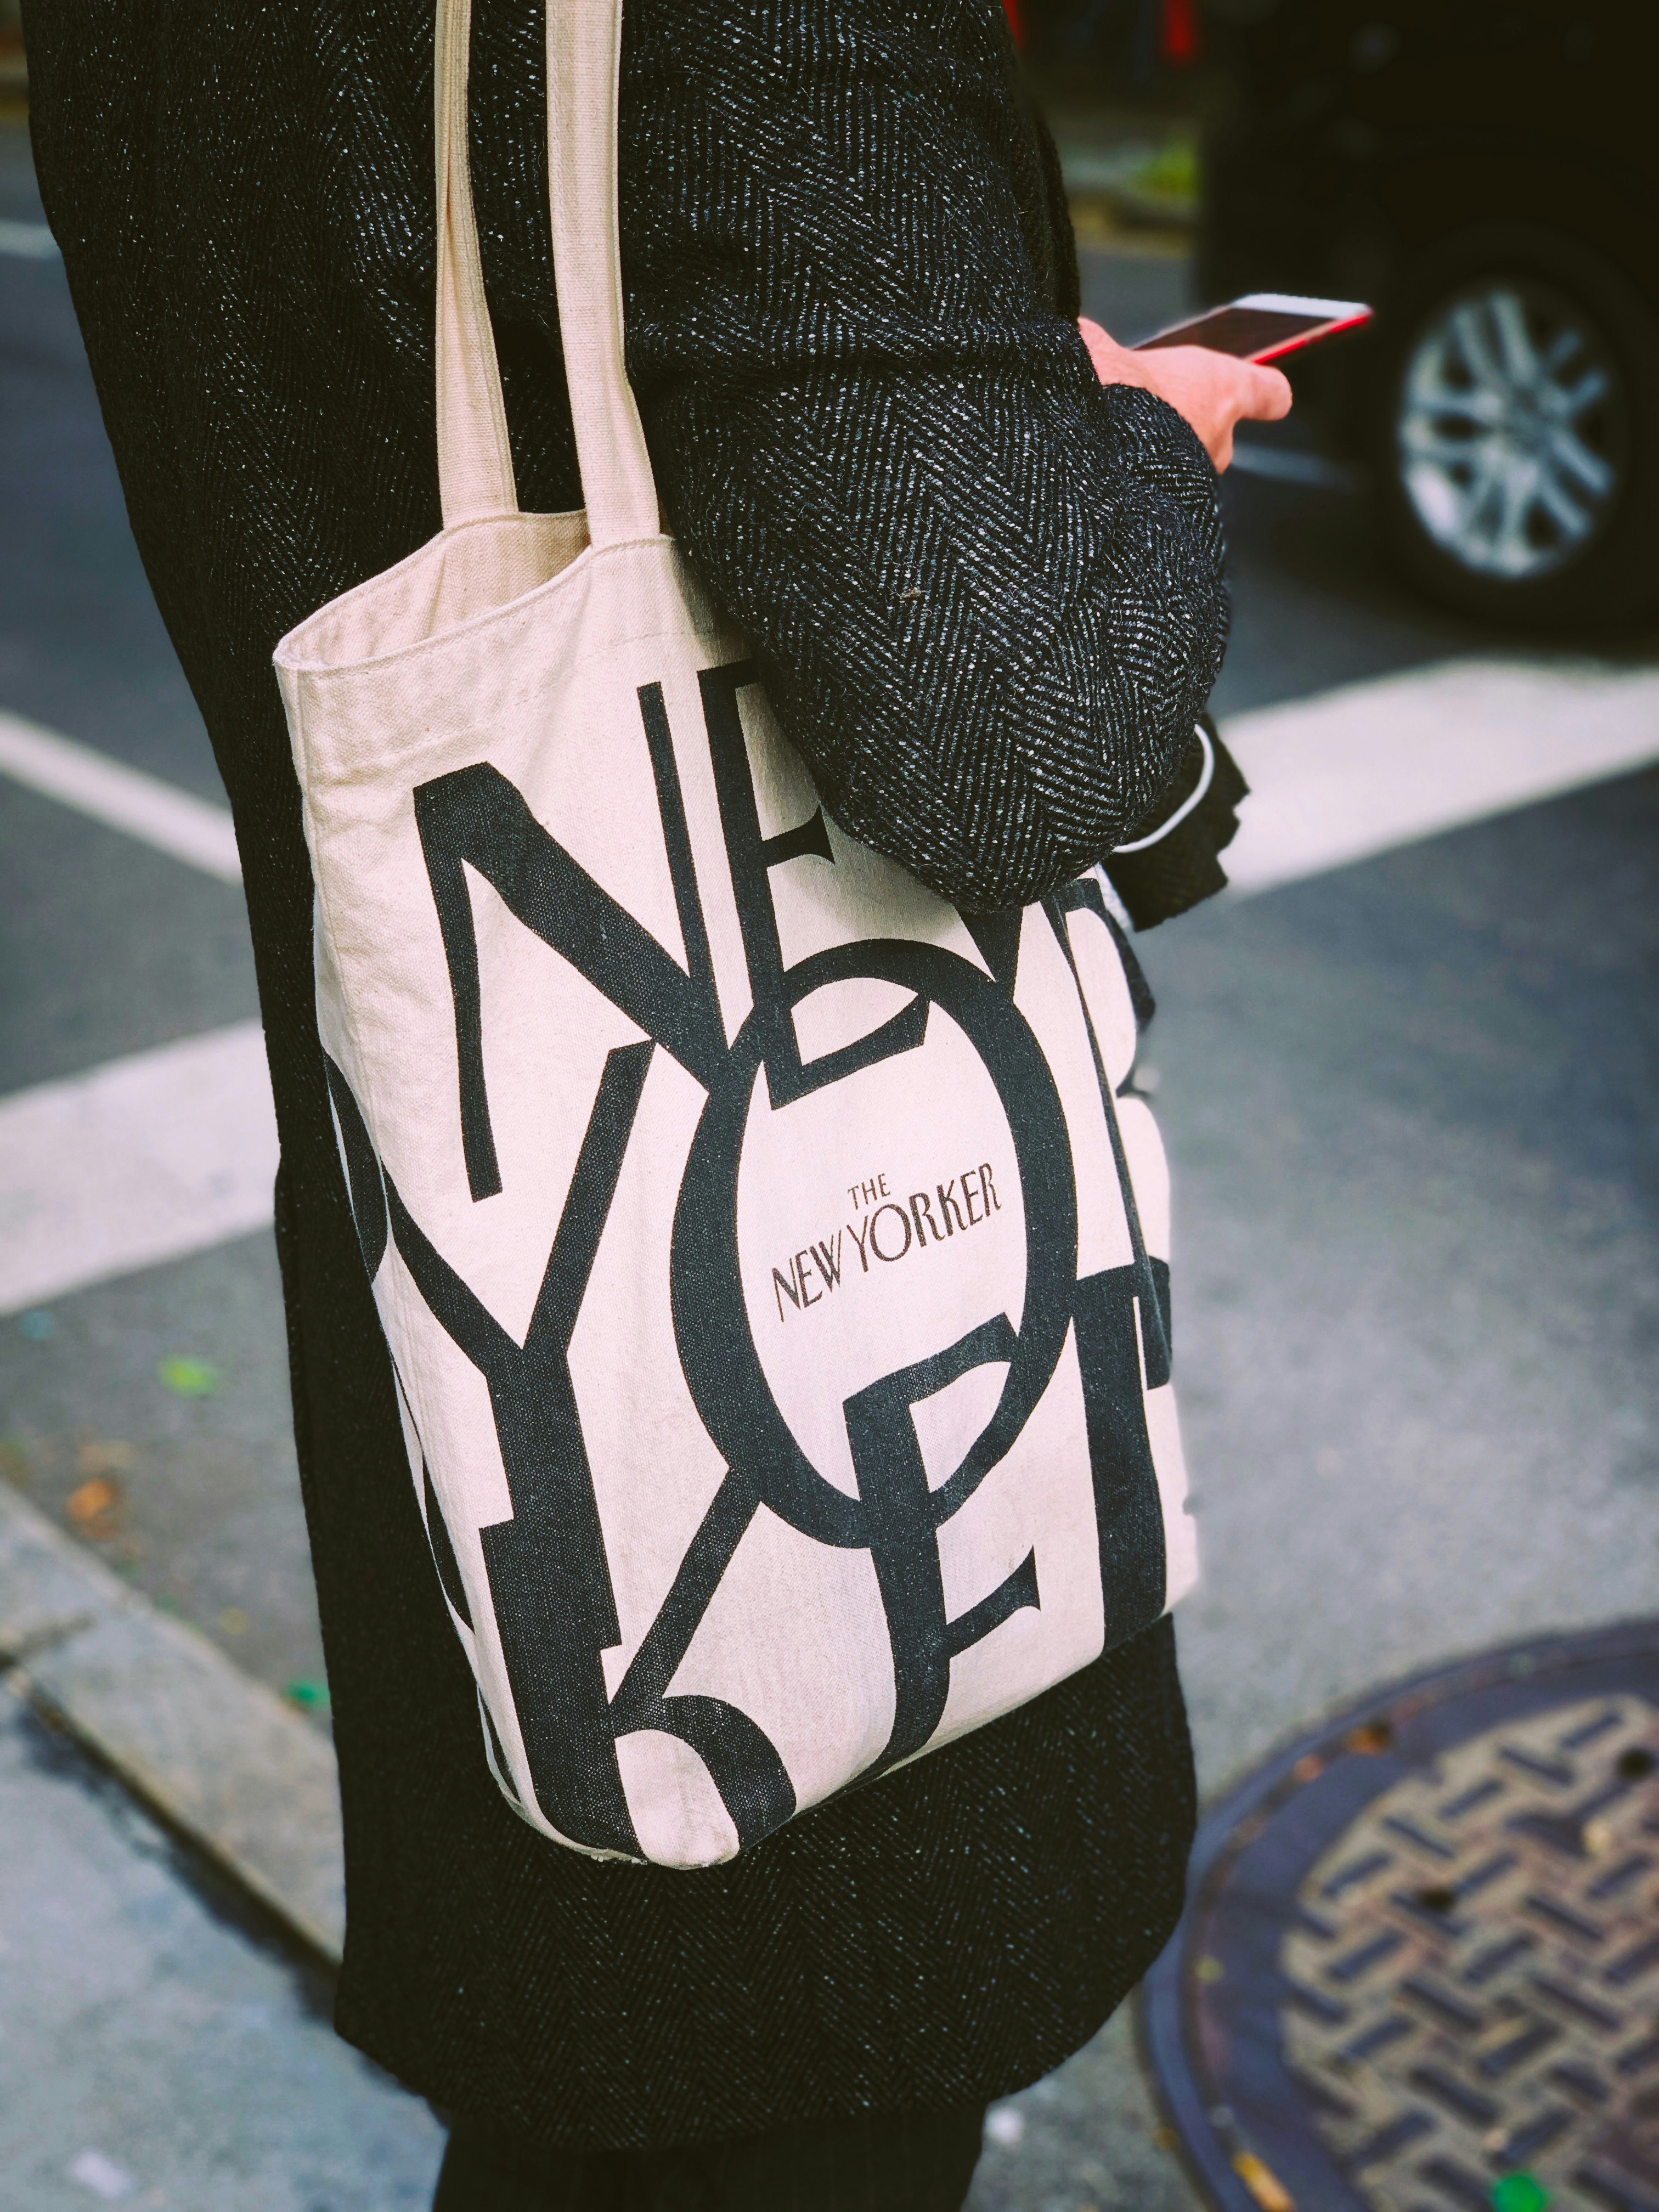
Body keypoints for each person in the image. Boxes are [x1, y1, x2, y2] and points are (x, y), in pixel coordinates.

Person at [25, 3, 1288, 2205]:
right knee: (785, 2126)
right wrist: (1136, 448)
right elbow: (1002, 729)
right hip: (822, 1558)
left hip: (504, 1315)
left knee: (603, 2131)